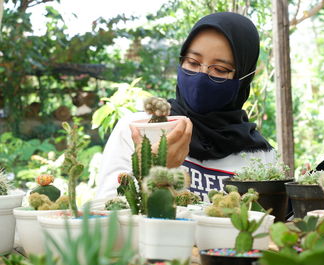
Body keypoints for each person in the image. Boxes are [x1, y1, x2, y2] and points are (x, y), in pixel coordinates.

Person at [96, 12, 276, 202]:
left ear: (243, 79)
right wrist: (154, 172)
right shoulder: (138, 130)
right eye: (192, 62)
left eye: (220, 69)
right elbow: (108, 215)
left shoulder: (262, 157)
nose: (201, 76)